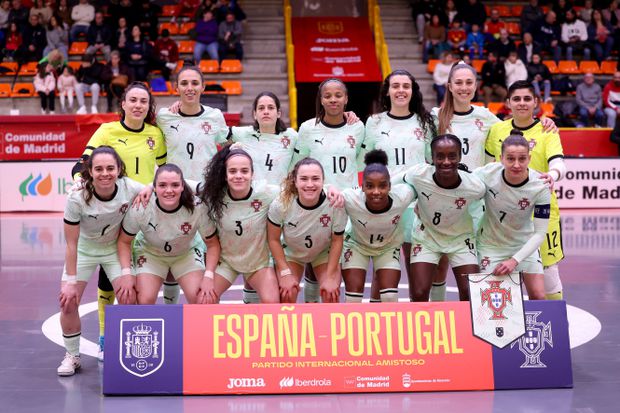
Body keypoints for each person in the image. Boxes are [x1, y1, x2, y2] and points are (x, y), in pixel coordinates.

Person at [73, 82, 166, 360]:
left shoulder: (155, 134)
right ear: (123, 104)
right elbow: (82, 163)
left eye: (143, 101)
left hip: (146, 213)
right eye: (133, 100)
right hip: (114, 212)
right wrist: (78, 182)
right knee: (109, 274)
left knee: (141, 273)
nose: (138, 105)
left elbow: (166, 169)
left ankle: (138, 330)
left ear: (149, 106)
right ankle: (105, 334)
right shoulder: (107, 130)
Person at [57, 146, 144, 376]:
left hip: (114, 249)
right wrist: (71, 282)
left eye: (110, 168)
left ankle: (125, 352)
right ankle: (72, 356)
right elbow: (71, 244)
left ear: (119, 169)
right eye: (99, 169)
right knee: (68, 301)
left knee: (129, 296)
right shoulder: (76, 197)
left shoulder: (129, 187)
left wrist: (150, 189)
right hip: (84, 251)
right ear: (90, 171)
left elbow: (156, 188)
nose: (105, 173)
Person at [486, 80, 567, 301]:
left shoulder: (547, 130)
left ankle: (552, 322)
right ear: (508, 103)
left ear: (536, 102)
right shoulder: (496, 130)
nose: (522, 103)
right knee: (502, 278)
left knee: (548, 275)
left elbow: (559, 163)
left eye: (527, 99)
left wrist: (552, 175)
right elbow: (487, 167)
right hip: (504, 217)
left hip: (542, 214)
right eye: (516, 99)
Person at [399, 134, 485, 302]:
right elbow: (391, 183)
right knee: (419, 293)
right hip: (426, 238)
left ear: (460, 157)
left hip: (460, 240)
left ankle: (466, 321)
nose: (446, 161)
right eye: (440, 156)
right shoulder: (419, 174)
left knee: (470, 293)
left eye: (452, 156)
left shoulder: (475, 186)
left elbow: (483, 207)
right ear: (432, 157)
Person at [118, 164, 220, 305]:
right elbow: (124, 241)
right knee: (142, 300)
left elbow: (213, 244)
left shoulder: (197, 207)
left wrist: (209, 276)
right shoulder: (142, 206)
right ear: (154, 187)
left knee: (204, 299)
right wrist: (126, 273)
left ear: (183, 186)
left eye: (175, 185)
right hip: (150, 254)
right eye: (162, 185)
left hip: (186, 253)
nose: (169, 190)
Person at [199, 143, 280, 303]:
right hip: (227, 262)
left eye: (244, 171)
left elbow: (299, 188)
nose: (238, 176)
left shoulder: (266, 193)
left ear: (252, 174)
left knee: (273, 305)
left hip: (258, 263)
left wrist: (329, 189)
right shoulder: (213, 193)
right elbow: (182, 183)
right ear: (225, 175)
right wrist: (151, 186)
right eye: (232, 171)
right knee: (203, 301)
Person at [474, 131, 551, 300]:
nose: (516, 164)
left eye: (522, 159)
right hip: (490, 245)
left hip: (524, 245)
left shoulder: (541, 185)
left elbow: (540, 234)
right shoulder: (487, 173)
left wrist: (514, 260)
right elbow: (460, 184)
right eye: (510, 159)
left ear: (529, 158)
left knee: (539, 296)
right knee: (491, 299)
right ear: (501, 158)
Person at [341, 150, 415, 303]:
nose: (376, 192)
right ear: (362, 187)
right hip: (356, 245)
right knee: (352, 299)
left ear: (390, 186)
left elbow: (422, 185)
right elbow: (326, 192)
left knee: (389, 297)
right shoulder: (350, 198)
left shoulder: (403, 196)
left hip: (387, 247)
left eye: (382, 186)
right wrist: (331, 189)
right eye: (370, 186)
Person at [267, 158, 346, 303]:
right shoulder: (281, 203)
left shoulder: (335, 203)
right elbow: (273, 239)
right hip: (292, 252)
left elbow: (337, 241)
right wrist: (285, 272)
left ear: (323, 181)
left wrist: (330, 277)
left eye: (315, 179)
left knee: (330, 293)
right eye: (304, 179)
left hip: (323, 252)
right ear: (295, 181)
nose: (310, 184)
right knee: (287, 293)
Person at [157, 66, 229, 181]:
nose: (189, 88)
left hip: (206, 186)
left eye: (195, 83)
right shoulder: (164, 117)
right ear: (176, 87)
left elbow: (228, 147)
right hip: (176, 187)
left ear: (203, 87)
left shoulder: (215, 116)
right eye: (184, 83)